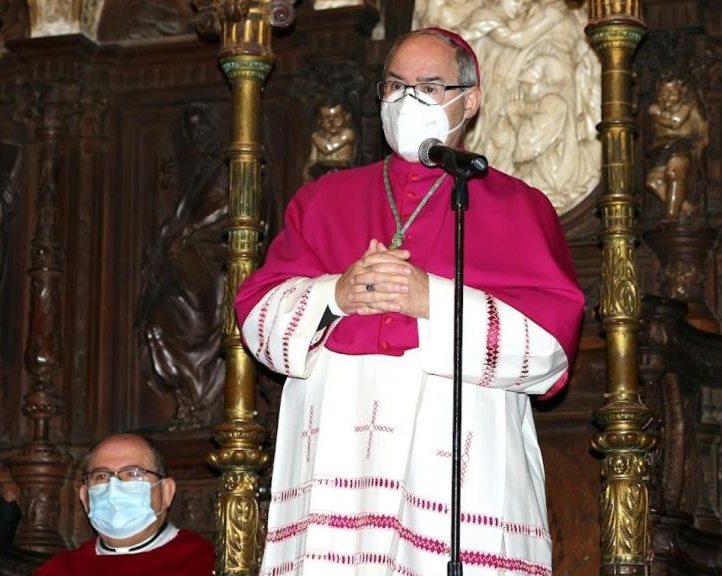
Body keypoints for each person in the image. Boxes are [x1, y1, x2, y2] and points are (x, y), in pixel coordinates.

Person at [234, 28, 584, 575]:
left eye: (428, 85)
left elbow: (549, 353)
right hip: (338, 471)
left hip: (459, 479)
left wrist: (430, 299)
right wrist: (337, 293)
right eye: (395, 85)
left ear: (470, 101)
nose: (406, 100)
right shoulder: (325, 199)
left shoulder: (517, 206)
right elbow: (259, 319)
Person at [35, 433, 214, 575]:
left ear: (166, 492)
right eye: (101, 476)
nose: (114, 488)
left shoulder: (206, 563)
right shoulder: (60, 570)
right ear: (85, 497)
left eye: (133, 474)